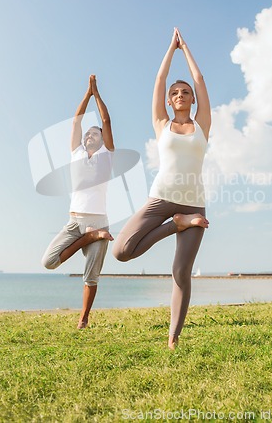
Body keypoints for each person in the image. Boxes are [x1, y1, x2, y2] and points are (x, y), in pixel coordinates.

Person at [112, 28, 211, 349]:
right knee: (122, 251)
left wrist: (188, 50)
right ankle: (176, 226)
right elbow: (158, 80)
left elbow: (201, 81)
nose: (181, 94)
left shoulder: (201, 125)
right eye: (175, 93)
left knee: (181, 272)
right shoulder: (161, 123)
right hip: (161, 199)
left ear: (192, 99)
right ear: (169, 101)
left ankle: (172, 339)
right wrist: (171, 49)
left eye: (185, 92)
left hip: (194, 203)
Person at [42, 75, 114, 329]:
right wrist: (87, 94)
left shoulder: (107, 156)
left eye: (95, 134)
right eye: (87, 135)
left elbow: (105, 120)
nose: (89, 136)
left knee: (90, 276)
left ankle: (83, 319)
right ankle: (90, 238)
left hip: (98, 221)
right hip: (75, 222)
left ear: (103, 139)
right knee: (49, 261)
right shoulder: (76, 154)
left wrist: (97, 94)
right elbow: (76, 121)